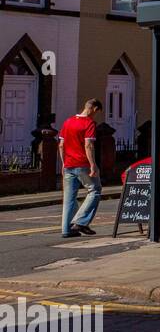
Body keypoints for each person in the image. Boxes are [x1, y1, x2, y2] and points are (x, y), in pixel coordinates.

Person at [58, 99, 103, 238]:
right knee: (95, 190)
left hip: (69, 165)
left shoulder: (68, 122)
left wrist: (63, 163)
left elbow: (61, 144)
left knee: (69, 198)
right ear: (94, 109)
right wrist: (93, 164)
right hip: (82, 163)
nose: (96, 116)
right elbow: (88, 145)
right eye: (97, 113)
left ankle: (66, 229)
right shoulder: (89, 123)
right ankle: (80, 222)